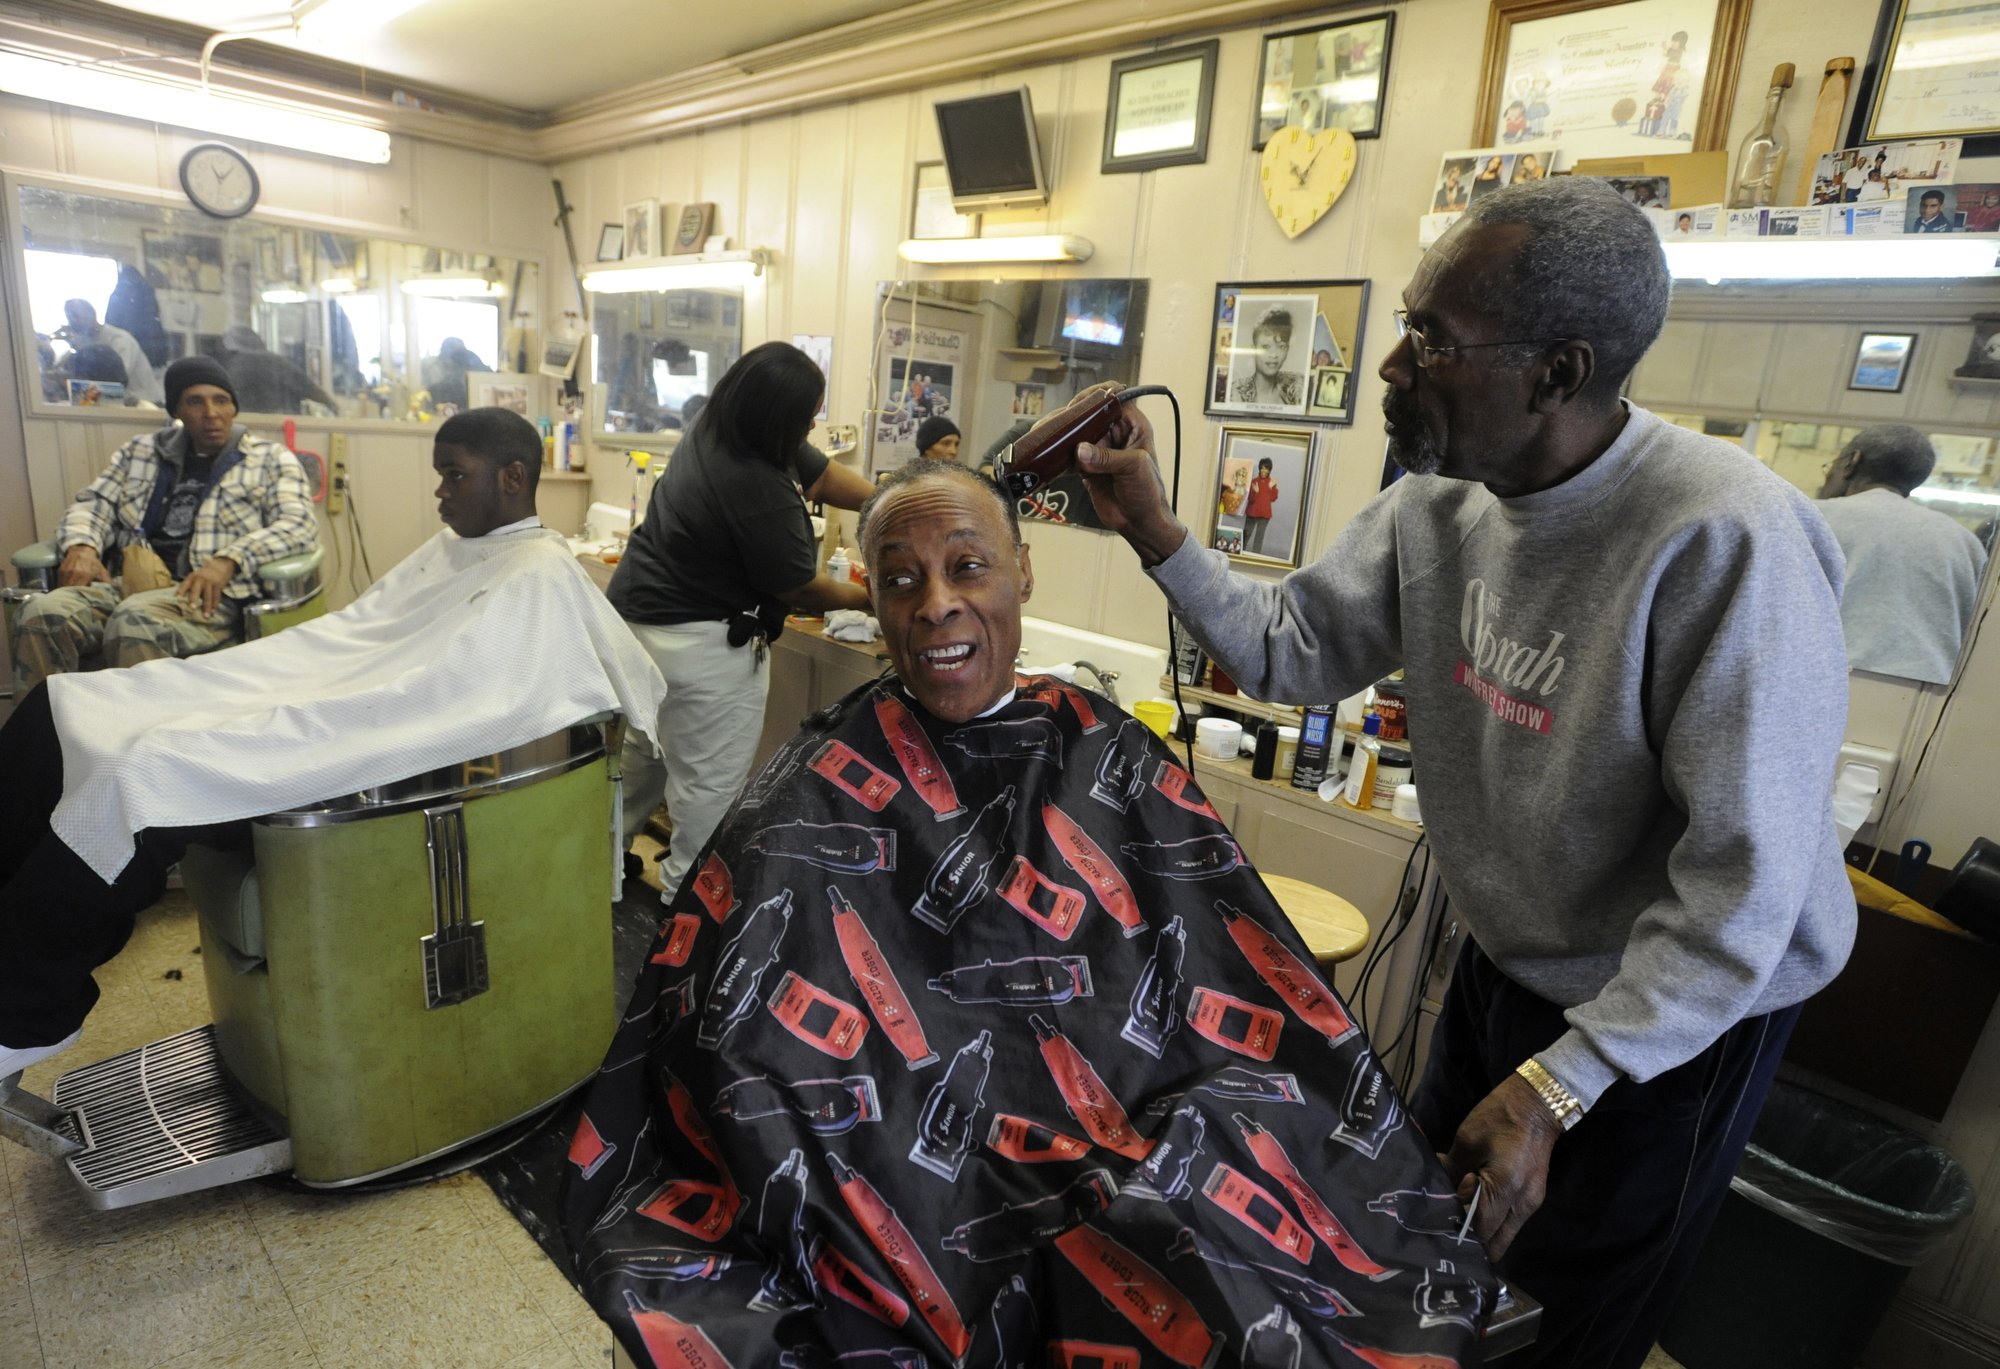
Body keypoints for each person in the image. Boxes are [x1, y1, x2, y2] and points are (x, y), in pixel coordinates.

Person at [1074, 176, 1854, 1369]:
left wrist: (1560, 1089)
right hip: (1509, 969)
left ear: (1557, 373)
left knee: (1559, 1321)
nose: (1393, 364)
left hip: (1673, 1018)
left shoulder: (1723, 539)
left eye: (1432, 340)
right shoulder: (1436, 503)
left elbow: (1743, 892)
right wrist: (1154, 529)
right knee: (1425, 1254)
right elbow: (1289, 649)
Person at [559, 458, 1501, 1368]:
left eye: (967, 565)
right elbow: (736, 1021)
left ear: (1023, 570)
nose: (934, 604)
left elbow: (1211, 963)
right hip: (895, 1140)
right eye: (900, 580)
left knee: (1205, 1215)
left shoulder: (1107, 749)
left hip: (1128, 1104)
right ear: (878, 603)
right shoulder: (816, 785)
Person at [0, 408, 666, 1081]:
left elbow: (467, 705)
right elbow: (358, 633)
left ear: (514, 477)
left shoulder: (539, 575)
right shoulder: (458, 547)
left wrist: (333, 707)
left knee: (140, 771)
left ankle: (25, 1012)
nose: (440, 494)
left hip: (356, 752)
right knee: (64, 706)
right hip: (330, 687)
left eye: (453, 477)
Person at [608, 341, 874, 896]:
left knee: (642, 760)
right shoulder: (754, 481)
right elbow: (797, 586)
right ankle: (683, 912)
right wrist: (865, 598)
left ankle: (598, 866)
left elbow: (822, 476)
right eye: (804, 419)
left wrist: (891, 502)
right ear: (777, 418)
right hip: (701, 646)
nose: (808, 429)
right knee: (708, 790)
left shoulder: (718, 424)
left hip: (637, 626)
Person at [12, 357, 319, 694]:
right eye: (195, 402)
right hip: (128, 583)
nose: (211, 413)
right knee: (40, 614)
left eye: (221, 400)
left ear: (234, 407)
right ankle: (44, 740)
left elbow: (298, 524)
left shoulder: (269, 459)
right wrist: (82, 546)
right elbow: (94, 504)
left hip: (207, 598)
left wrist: (229, 560)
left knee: (135, 621)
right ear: (177, 410)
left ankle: (141, 742)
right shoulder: (141, 452)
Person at [1816, 424, 1988, 684]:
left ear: (1853, 461)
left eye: (1832, 465)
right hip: (1928, 697)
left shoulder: (1814, 517)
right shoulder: (1965, 543)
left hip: (1827, 681)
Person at [54, 299, 161, 405]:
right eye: (69, 317)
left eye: (75, 315)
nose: (72, 321)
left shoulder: (120, 339)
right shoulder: (84, 341)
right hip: (115, 402)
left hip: (145, 403)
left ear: (91, 314)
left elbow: (115, 381)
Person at [219, 325, 338, 415]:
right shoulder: (275, 362)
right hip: (283, 425)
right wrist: (334, 408)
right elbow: (310, 389)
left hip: (246, 424)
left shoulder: (232, 367)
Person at [1229, 305, 1303, 408]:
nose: (1273, 355)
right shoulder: (1235, 393)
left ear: (1287, 349)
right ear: (1253, 349)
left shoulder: (1297, 386)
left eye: (1281, 347)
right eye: (1266, 347)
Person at [1244, 455, 1280, 554]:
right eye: (1262, 468)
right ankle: (1240, 553)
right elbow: (1250, 500)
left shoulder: (1271, 483)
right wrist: (1255, 492)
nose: (1264, 471)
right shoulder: (1254, 482)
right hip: (1252, 514)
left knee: (1259, 538)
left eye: (1266, 469)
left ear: (1269, 470)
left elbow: (1273, 499)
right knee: (1246, 534)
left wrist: (1271, 488)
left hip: (1264, 516)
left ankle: (1255, 556)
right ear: (1259, 469)